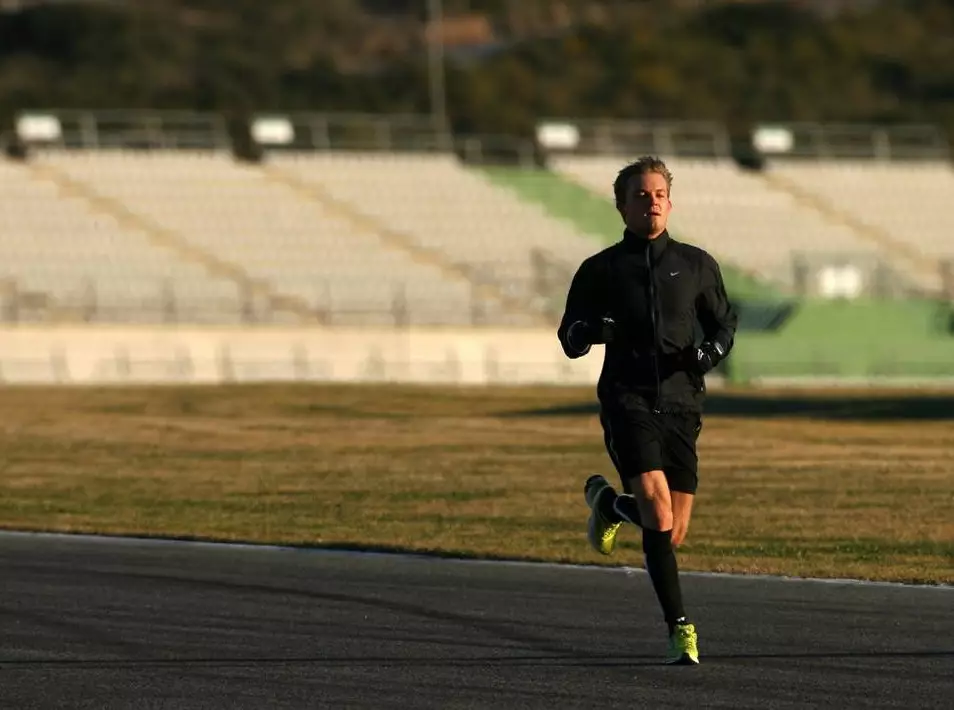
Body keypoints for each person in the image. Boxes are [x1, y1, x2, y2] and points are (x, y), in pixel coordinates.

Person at [557, 156, 737, 665]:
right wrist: (590, 333)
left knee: (672, 530)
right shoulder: (601, 269)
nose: (651, 201)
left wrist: (708, 356)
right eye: (640, 195)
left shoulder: (697, 263)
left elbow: (724, 326)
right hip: (627, 399)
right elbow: (568, 337)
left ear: (670, 203)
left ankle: (609, 505)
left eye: (659, 193)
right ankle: (681, 629)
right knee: (657, 513)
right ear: (622, 206)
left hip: (682, 403)